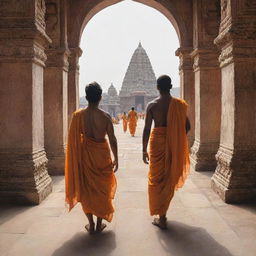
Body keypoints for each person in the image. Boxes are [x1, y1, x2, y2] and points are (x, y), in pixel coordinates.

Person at [65, 82, 118, 234]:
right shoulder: (106, 117)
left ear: (86, 97)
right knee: (103, 188)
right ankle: (100, 222)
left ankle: (91, 223)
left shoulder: (78, 116)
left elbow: (73, 140)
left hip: (85, 157)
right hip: (102, 155)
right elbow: (113, 139)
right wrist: (117, 158)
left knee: (86, 189)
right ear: (101, 97)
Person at [142, 75, 190, 229]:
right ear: (170, 87)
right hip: (171, 144)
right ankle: (163, 215)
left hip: (156, 143)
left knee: (156, 178)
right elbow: (187, 127)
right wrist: (176, 139)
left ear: (157, 87)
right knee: (169, 176)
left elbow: (147, 129)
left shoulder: (151, 105)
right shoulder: (179, 105)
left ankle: (161, 216)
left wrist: (144, 149)